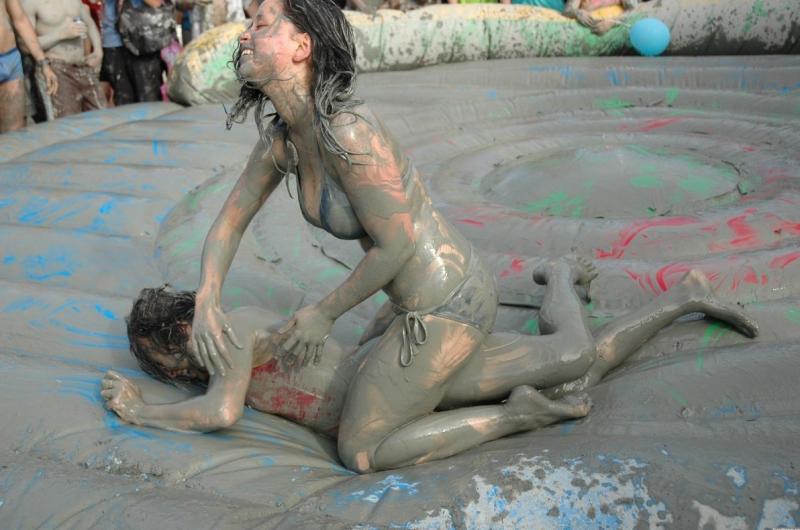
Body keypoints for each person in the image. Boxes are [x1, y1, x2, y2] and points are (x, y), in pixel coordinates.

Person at [108, 0, 757, 474]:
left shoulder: (350, 133)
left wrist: (323, 312)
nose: (245, 32)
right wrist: (209, 297)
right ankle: (657, 292)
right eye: (248, 21)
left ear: (302, 46)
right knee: (572, 361)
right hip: (406, 305)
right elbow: (228, 222)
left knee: (363, 450)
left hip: (446, 301)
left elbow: (394, 247)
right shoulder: (284, 140)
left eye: (262, 22)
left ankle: (516, 414)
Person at [104, 262, 757, 470]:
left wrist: (144, 413)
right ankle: (682, 296)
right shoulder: (226, 347)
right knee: (576, 372)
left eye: (167, 361)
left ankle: (559, 276)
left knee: (571, 356)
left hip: (397, 377)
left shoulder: (227, 335)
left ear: (182, 331)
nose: (176, 374)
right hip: (394, 387)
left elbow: (221, 412)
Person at [21, 0, 105, 118]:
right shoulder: (31, 3)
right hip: (55, 69)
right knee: (67, 121)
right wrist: (60, 34)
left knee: (101, 117)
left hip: (82, 65)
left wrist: (98, 50)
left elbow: (89, 23)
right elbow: (25, 46)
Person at [0, 0, 56, 132]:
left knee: (14, 133)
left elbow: (20, 19)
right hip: (10, 60)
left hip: (10, 59)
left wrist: (43, 62)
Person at [564, 0, 638, 35]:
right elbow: (567, 11)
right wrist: (577, 13)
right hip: (583, 30)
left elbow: (633, 10)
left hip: (613, 29)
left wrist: (611, 23)